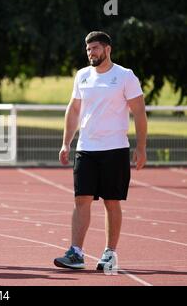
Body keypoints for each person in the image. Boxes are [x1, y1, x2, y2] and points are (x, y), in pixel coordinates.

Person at [54, 31, 147, 270]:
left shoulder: (125, 76)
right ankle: (76, 252)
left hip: (115, 149)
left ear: (107, 49)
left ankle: (110, 253)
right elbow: (74, 110)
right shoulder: (82, 76)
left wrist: (141, 147)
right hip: (86, 148)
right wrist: (66, 142)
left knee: (111, 201)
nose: (91, 53)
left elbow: (138, 112)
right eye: (88, 49)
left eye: (95, 48)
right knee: (80, 199)